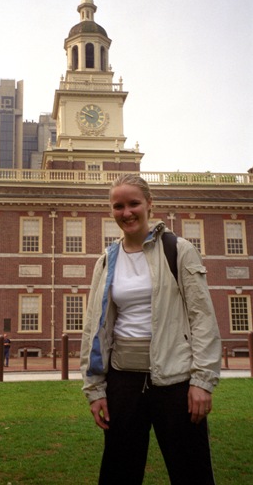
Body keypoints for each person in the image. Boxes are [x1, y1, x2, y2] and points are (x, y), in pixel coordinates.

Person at [80, 173, 222, 485]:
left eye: (133, 203)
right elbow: (94, 327)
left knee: (191, 472)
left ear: (149, 205)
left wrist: (202, 381)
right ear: (111, 211)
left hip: (175, 380)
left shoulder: (178, 250)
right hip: (123, 383)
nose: (126, 212)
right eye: (118, 206)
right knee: (119, 473)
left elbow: (202, 318)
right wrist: (95, 389)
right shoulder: (107, 261)